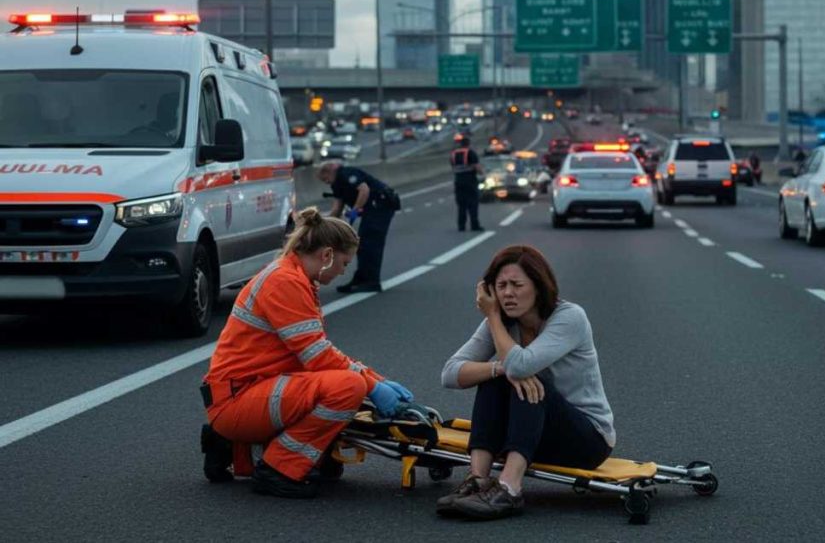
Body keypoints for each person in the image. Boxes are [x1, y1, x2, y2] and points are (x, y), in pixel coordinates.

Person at [200, 207, 414, 498]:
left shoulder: (294, 277)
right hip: (238, 399)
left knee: (349, 386)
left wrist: (375, 379)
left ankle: (232, 442)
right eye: (343, 262)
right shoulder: (285, 282)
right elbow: (318, 357)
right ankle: (278, 469)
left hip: (248, 390)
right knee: (347, 388)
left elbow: (317, 353)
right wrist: (371, 384)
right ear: (326, 255)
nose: (343, 271)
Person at [438, 245, 615, 520]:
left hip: (586, 440)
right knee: (496, 377)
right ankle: (478, 481)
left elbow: (520, 365)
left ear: (539, 286)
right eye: (501, 286)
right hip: (529, 435)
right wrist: (496, 367)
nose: (508, 293)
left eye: (517, 285)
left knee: (522, 377)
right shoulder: (501, 324)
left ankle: (509, 488)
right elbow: (449, 373)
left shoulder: (569, 317)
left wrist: (493, 317)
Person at [317, 161, 401, 293]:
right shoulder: (336, 184)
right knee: (361, 243)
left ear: (329, 171)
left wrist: (355, 209)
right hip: (372, 209)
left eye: (325, 178)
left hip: (380, 205)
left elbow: (364, 190)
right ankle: (361, 278)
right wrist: (326, 225)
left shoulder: (347, 173)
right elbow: (338, 207)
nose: (326, 182)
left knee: (370, 242)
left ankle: (372, 281)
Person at [450, 134, 484, 232]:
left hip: (458, 181)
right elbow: (477, 167)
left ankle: (461, 226)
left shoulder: (454, 154)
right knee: (473, 204)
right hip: (470, 181)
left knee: (461, 205)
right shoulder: (470, 153)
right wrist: (482, 173)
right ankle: (474, 225)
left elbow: (453, 167)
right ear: (468, 144)